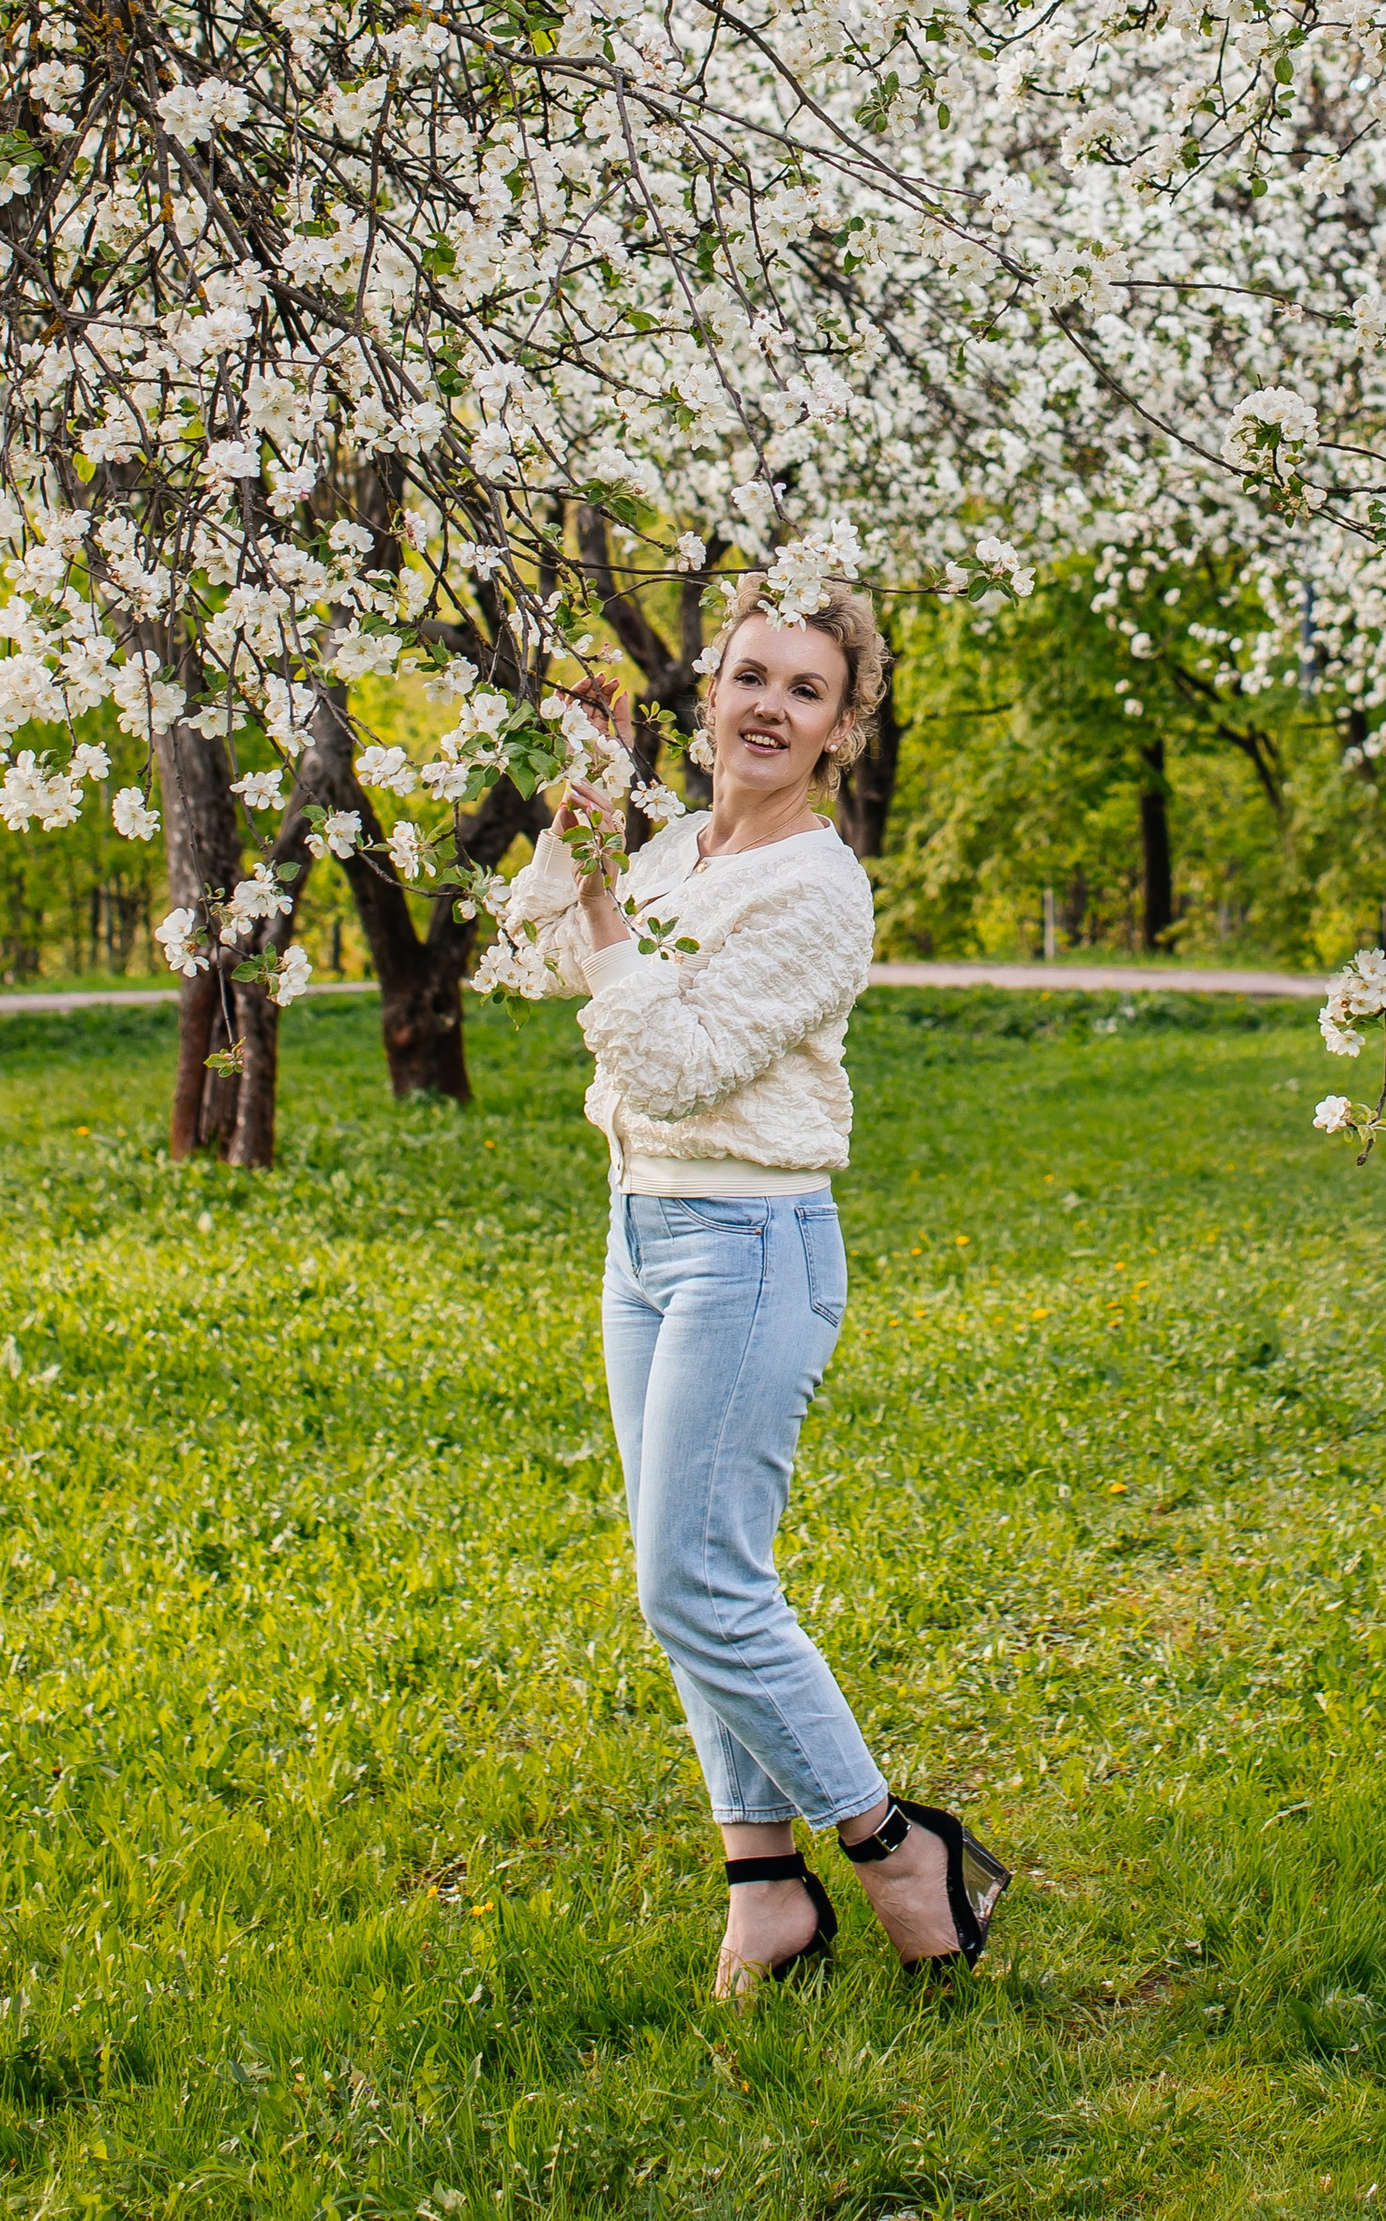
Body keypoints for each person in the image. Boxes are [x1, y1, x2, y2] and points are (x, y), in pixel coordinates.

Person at [502, 568, 1012, 1999]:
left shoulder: (817, 891)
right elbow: (537, 962)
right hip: (642, 1236)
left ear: (844, 729)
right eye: (749, 678)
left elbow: (662, 1058)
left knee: (694, 1581)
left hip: (754, 1245)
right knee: (695, 1580)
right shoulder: (675, 857)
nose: (769, 708)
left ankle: (897, 1843)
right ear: (707, 695)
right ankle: (764, 1888)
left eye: (806, 690)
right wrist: (582, 825)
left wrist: (599, 894)